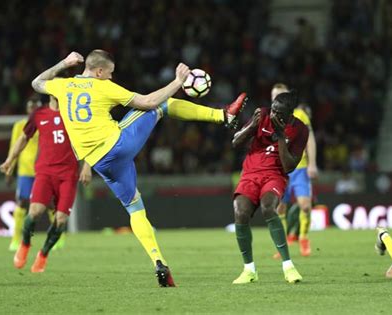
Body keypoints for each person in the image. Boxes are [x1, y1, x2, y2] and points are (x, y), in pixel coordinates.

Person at [30, 50, 247, 287]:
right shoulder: (104, 87)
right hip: (117, 146)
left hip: (100, 163)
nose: (111, 78)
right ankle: (223, 116)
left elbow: (37, 82)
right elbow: (148, 102)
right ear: (99, 71)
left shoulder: (64, 86)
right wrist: (178, 81)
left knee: (134, 207)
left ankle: (159, 261)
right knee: (163, 104)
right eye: (109, 73)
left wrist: (65, 62)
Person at [0, 95, 92, 273]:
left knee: (61, 219)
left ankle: (43, 255)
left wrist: (87, 166)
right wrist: (10, 159)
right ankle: (25, 244)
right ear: (50, 91)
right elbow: (23, 138)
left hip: (68, 174)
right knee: (34, 211)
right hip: (45, 172)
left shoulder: (73, 113)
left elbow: (87, 141)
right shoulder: (39, 114)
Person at [231, 91, 308, 284]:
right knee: (240, 213)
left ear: (290, 114)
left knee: (268, 208)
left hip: (274, 175)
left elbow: (289, 166)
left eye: (279, 113)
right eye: (273, 109)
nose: (273, 115)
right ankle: (249, 270)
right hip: (250, 174)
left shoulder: (300, 130)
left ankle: (288, 267)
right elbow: (235, 141)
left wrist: (281, 136)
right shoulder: (261, 115)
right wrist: (252, 127)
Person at [271, 83, 318, 257]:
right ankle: (282, 245)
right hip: (279, 169)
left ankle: (304, 239)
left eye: (279, 94)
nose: (275, 97)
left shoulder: (300, 115)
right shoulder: (269, 116)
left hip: (300, 167)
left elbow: (310, 139)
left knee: (305, 206)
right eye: (273, 95)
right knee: (279, 208)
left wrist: (312, 163)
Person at [5, 98, 40, 251]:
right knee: (21, 202)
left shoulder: (43, 123)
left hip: (42, 169)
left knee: (52, 202)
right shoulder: (19, 125)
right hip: (25, 171)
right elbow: (14, 146)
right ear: (27, 109)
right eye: (30, 106)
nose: (32, 109)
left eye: (34, 107)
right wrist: (9, 169)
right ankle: (15, 239)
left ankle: (59, 238)